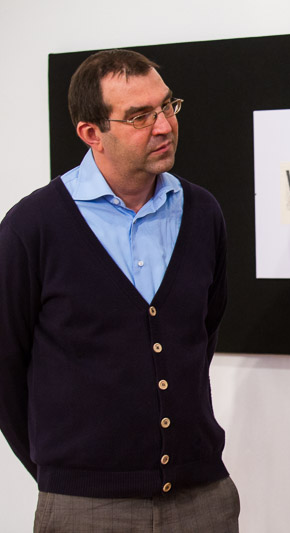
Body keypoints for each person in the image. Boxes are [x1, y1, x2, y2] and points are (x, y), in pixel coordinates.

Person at [0, 49, 238, 532]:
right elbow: (4, 367)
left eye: (167, 106)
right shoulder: (33, 227)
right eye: (139, 116)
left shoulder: (202, 213)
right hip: (85, 505)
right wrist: (65, 473)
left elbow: (201, 336)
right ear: (92, 133)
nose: (164, 126)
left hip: (202, 496)